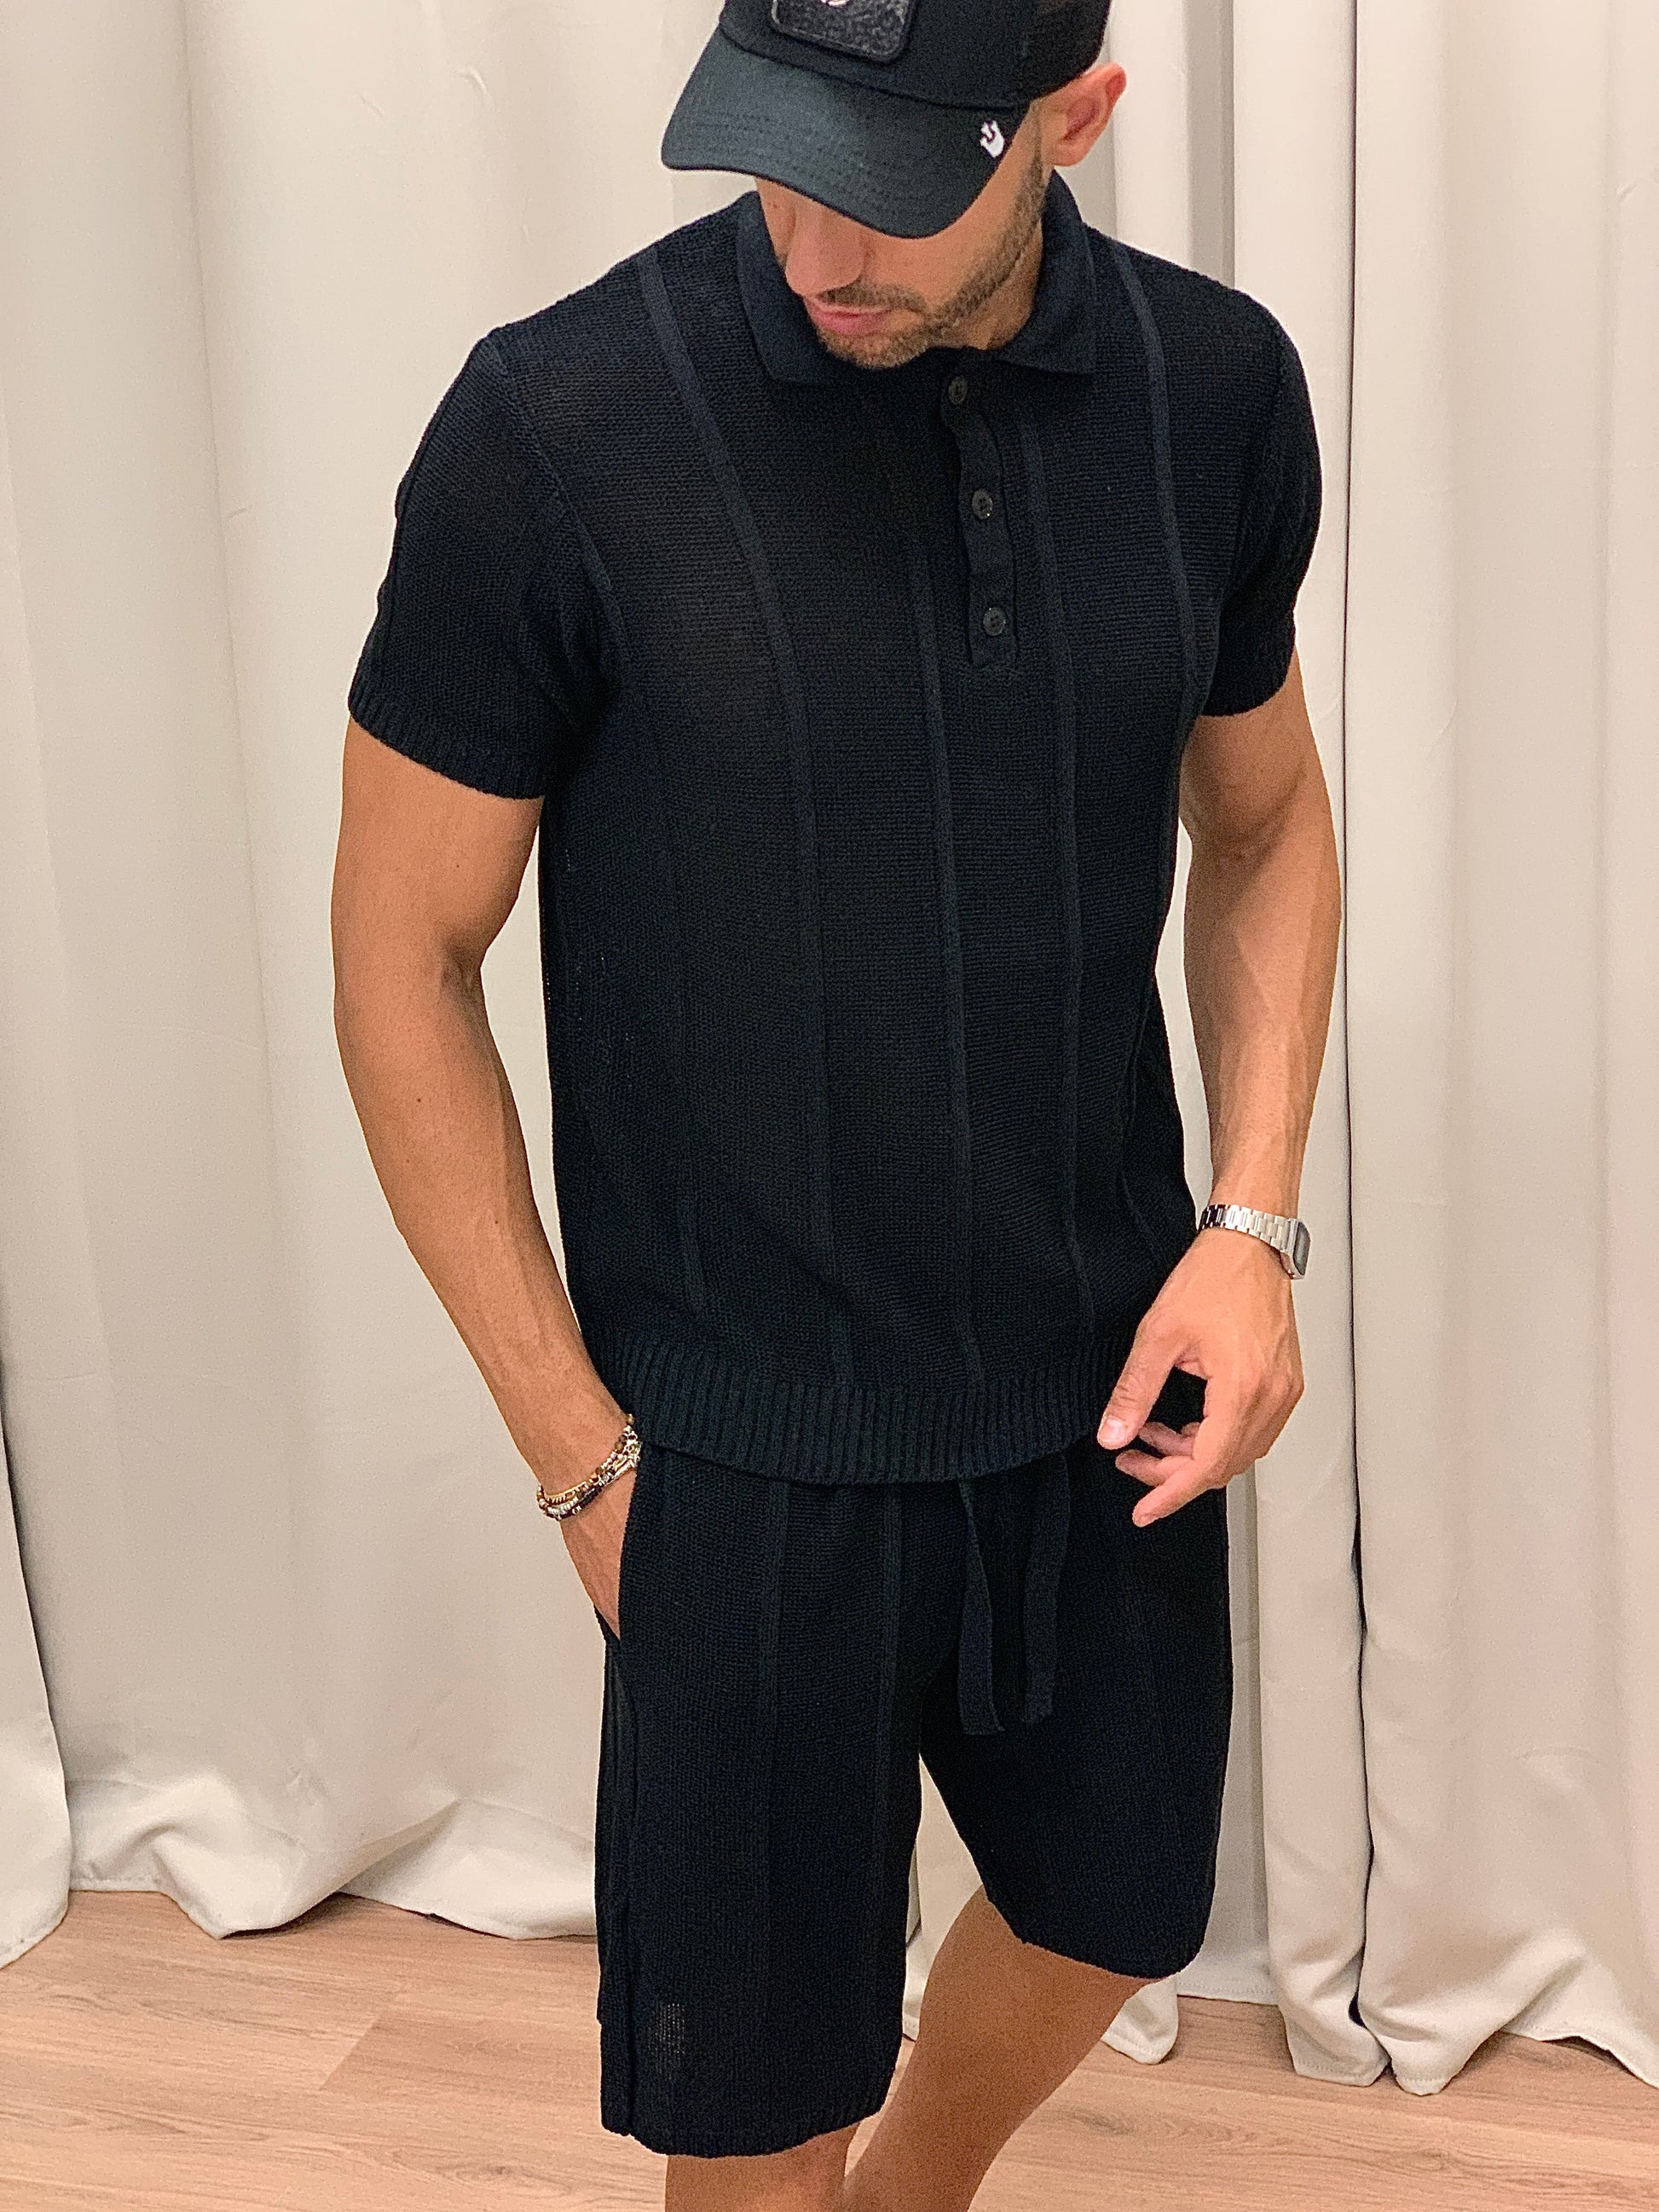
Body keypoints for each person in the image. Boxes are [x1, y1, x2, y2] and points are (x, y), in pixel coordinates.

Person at [330, 0, 1341, 2203]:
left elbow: (1261, 816)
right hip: (734, 1444)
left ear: (1074, 120)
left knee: (1114, 1913)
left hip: (1101, 1382)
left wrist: (1249, 1225)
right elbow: (401, 960)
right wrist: (583, 1459)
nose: (814, 246)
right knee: (755, 2110)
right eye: (773, 160)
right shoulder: (555, 427)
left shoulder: (1214, 394)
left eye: (887, 187)